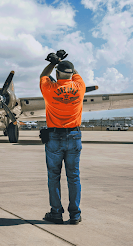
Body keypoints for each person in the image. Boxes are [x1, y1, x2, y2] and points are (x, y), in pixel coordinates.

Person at [39, 54, 85, 225]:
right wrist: (60, 63)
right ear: (72, 74)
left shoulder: (49, 89)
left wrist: (53, 63)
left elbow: (43, 76)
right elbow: (74, 73)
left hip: (54, 137)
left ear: (57, 75)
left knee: (54, 176)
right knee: (74, 176)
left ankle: (56, 213)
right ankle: (75, 215)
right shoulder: (80, 87)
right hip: (74, 135)